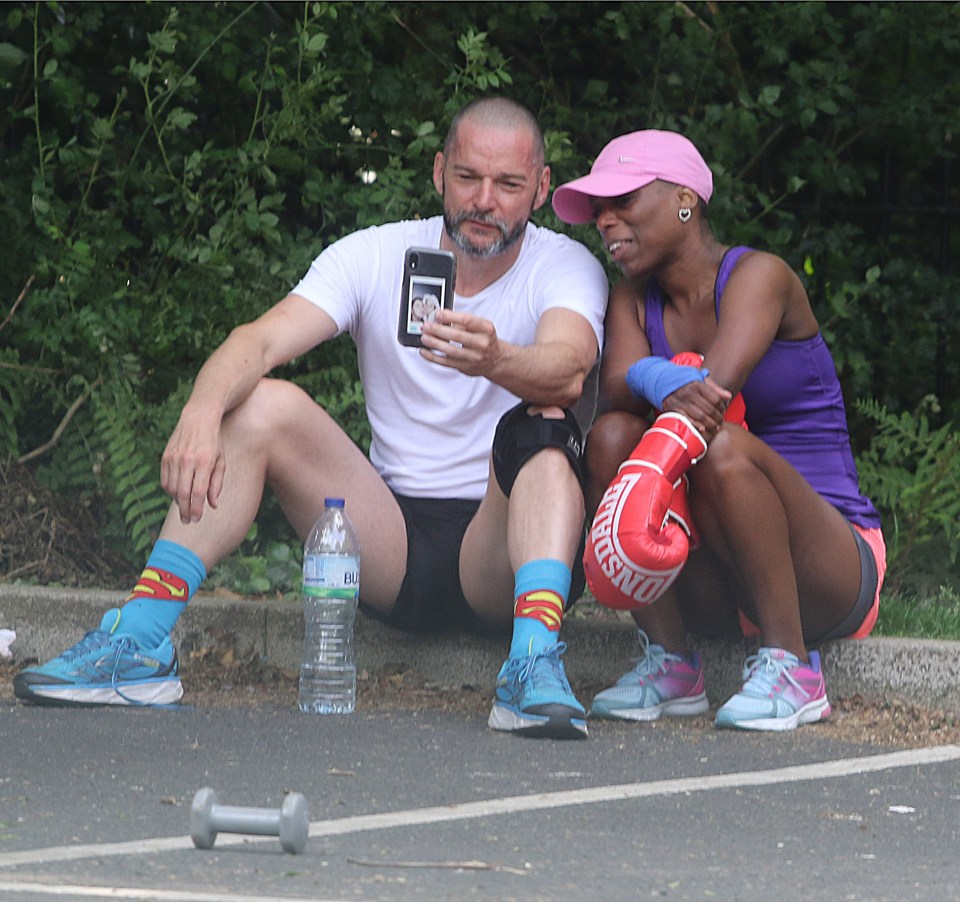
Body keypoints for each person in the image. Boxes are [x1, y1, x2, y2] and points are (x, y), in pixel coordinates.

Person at [15, 97, 609, 740]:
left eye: (509, 184)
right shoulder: (375, 254)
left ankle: (532, 663)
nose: (484, 200)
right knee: (262, 402)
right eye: (468, 177)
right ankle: (140, 642)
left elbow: (568, 367)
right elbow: (259, 341)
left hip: (501, 548)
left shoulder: (564, 265)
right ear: (439, 173)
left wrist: (496, 359)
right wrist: (200, 411)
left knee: (545, 424)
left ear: (542, 189)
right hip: (392, 543)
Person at [550, 129, 886, 732]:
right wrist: (654, 374)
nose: (604, 220)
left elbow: (710, 397)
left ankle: (793, 668)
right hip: (720, 574)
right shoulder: (631, 298)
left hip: (826, 570)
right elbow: (620, 387)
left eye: (622, 200)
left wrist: (651, 376)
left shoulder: (760, 275)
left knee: (720, 445)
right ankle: (672, 662)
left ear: (685, 198)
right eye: (598, 210)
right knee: (607, 440)